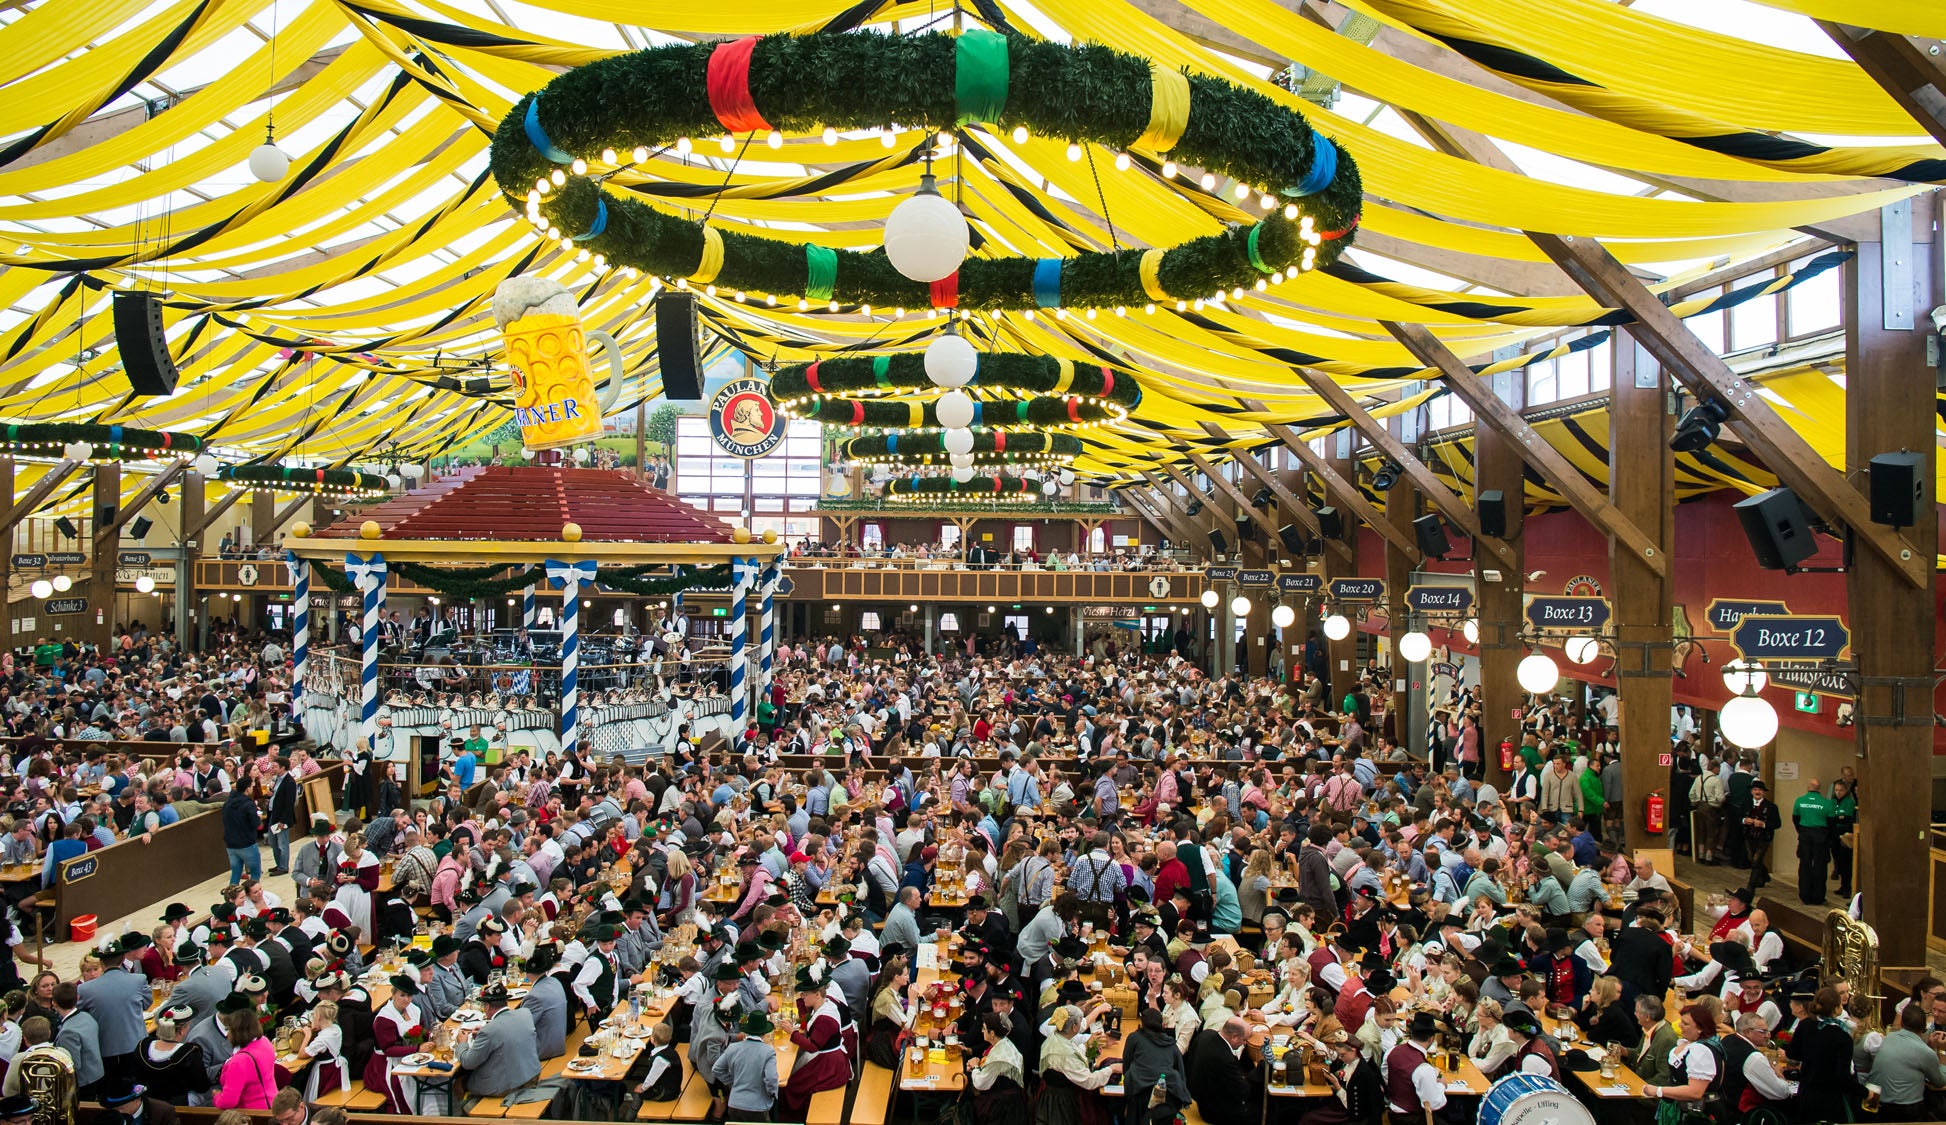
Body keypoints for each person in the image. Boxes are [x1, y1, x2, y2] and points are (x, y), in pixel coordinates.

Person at [455, 982, 540, 1103]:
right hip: (532, 1075)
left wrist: (462, 1043)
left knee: (458, 1081)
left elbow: (468, 1063)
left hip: (505, 1086)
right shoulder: (525, 1013)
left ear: (488, 1006)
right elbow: (505, 1033)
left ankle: (460, 1115)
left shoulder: (489, 1031)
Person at [1866, 1002, 1945, 1121]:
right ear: (1924, 1027)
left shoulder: (1888, 1038)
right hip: (1905, 1110)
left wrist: (1929, 1046)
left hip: (1874, 1102)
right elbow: (1939, 1082)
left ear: (1902, 1023)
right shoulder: (1925, 1052)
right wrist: (1942, 1052)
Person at [132, 1002, 213, 1105]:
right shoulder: (189, 1053)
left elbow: (135, 1077)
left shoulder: (143, 1046)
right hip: (178, 1106)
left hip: (146, 1103)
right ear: (182, 1030)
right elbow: (201, 1087)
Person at [1297, 1028, 1382, 1125]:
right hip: (1340, 1103)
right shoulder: (1347, 1063)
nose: (1340, 1058)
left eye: (1342, 1055)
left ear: (1353, 1050)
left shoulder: (1361, 1073)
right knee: (1307, 1107)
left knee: (1308, 1119)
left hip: (1351, 1114)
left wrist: (1336, 1085)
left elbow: (1353, 1106)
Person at [1185, 1017, 1259, 1125]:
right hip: (1212, 1110)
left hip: (1197, 1094)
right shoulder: (1225, 1059)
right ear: (1234, 1037)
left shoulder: (1206, 1034)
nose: (1244, 1044)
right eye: (1244, 1040)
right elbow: (1243, 1091)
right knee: (1258, 1111)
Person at [212, 996, 276, 1110]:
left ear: (237, 1032)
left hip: (252, 1115)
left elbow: (228, 1101)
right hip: (273, 1106)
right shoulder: (264, 1042)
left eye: (229, 1029)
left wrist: (216, 1096)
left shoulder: (239, 1062)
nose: (227, 1034)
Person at [713, 1011, 779, 1121]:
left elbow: (717, 1069)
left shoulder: (733, 1048)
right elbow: (771, 1078)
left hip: (735, 1104)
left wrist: (732, 1082)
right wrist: (772, 1094)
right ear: (764, 1033)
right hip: (758, 1106)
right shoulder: (768, 1052)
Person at [53, 980, 104, 1098]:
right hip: (96, 1072)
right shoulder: (86, 1016)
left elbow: (72, 1065)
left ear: (54, 1003)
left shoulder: (68, 1032)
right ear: (77, 998)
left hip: (84, 1082)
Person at [1791, 777, 1833, 906]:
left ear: (1808, 787)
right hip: (1820, 837)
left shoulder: (1799, 801)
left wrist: (1802, 831)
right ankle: (1818, 897)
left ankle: (1805, 895)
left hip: (1804, 836)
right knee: (1820, 867)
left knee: (1804, 865)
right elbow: (1831, 823)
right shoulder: (1827, 803)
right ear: (1819, 788)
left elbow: (1795, 819)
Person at [1740, 781, 1781, 891]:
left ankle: (1751, 886)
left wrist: (1763, 824)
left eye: (1760, 790)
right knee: (1752, 858)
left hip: (1764, 837)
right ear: (1751, 791)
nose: (1757, 792)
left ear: (1763, 792)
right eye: (1755, 790)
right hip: (1749, 835)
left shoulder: (1771, 807)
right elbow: (1738, 817)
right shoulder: (1746, 803)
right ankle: (1765, 876)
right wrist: (1744, 820)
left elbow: (1777, 824)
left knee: (1756, 860)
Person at [92, 1076, 178, 1125]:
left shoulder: (163, 1112)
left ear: (137, 1100)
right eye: (114, 1109)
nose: (118, 1112)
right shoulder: (107, 1117)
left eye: (121, 1108)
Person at [221, 786, 262, 886]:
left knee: (235, 874)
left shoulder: (227, 804)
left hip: (231, 844)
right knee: (255, 873)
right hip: (247, 843)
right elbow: (255, 823)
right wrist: (259, 817)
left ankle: (231, 897)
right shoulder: (248, 804)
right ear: (247, 789)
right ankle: (253, 895)